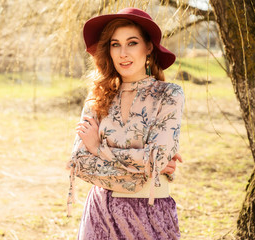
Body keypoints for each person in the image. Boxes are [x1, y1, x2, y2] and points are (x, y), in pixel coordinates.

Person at [67, 7, 185, 240]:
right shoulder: (97, 97)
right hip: (99, 216)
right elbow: (80, 164)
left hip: (149, 216)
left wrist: (98, 150)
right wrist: (144, 167)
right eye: (115, 44)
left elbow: (157, 159)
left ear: (148, 47)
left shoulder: (169, 95)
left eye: (132, 43)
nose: (123, 53)